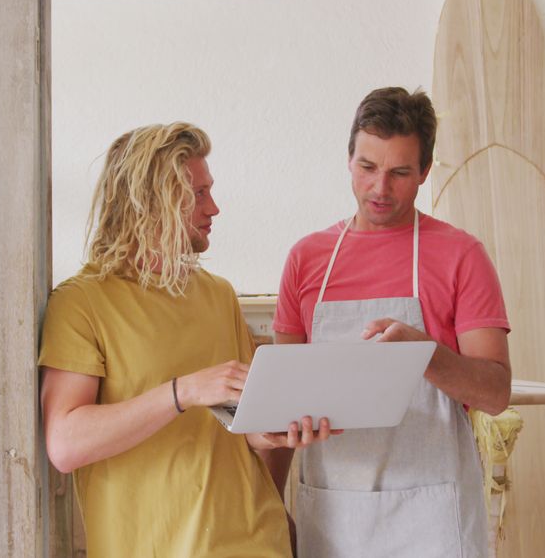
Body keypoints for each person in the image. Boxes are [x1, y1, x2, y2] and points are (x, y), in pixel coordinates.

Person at [39, 122, 332, 557]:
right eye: (198, 193)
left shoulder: (217, 294)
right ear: (150, 200)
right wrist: (183, 391)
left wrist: (275, 432)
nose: (213, 207)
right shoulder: (82, 303)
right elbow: (64, 444)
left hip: (257, 542)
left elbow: (237, 427)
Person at [271, 88, 513, 557]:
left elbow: (496, 393)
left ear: (424, 171)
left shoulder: (461, 255)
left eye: (400, 173)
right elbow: (284, 403)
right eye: (367, 168)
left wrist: (424, 356)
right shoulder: (306, 260)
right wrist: (270, 506)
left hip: (434, 518)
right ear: (349, 160)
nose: (380, 189)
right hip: (334, 515)